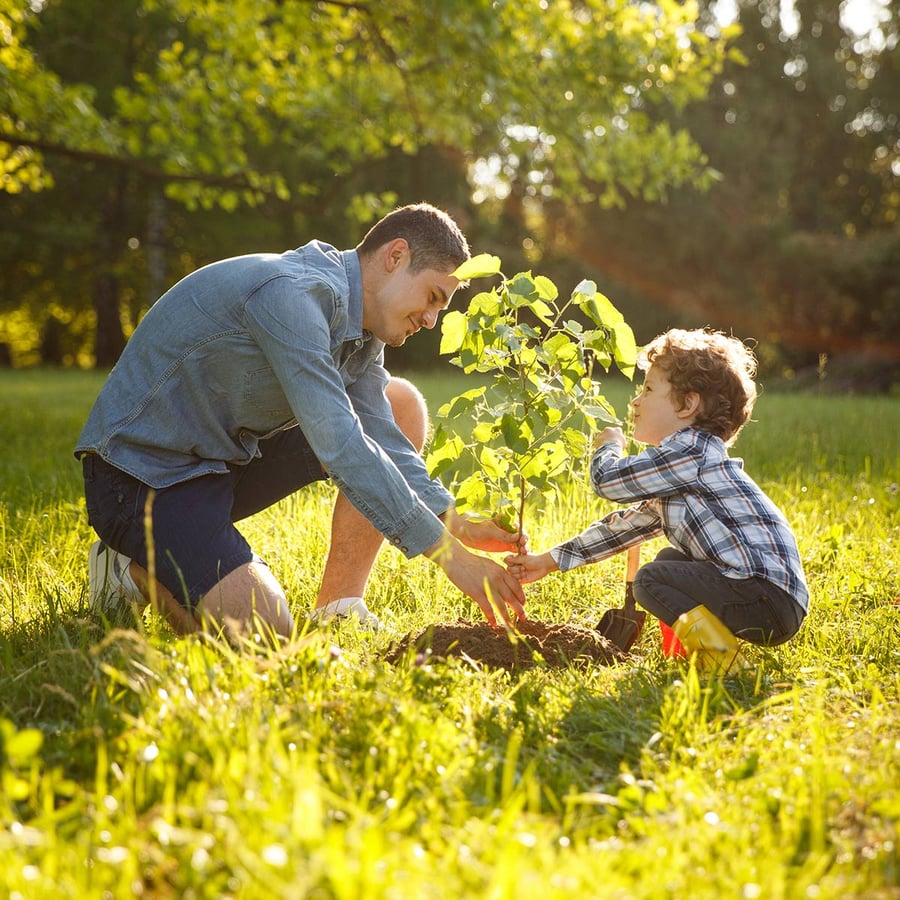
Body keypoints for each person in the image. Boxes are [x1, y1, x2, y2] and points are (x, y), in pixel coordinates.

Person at [76, 203, 527, 640]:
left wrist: (453, 520)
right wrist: (451, 558)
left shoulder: (362, 332)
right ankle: (128, 570)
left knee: (399, 403)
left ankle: (338, 608)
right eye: (433, 297)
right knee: (266, 635)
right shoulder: (292, 295)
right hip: (140, 478)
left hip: (220, 464)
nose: (431, 320)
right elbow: (341, 444)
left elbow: (381, 435)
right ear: (396, 256)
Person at [505, 328, 808, 670]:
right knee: (668, 560)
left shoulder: (690, 451)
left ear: (688, 404)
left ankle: (724, 665)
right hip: (772, 598)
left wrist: (609, 447)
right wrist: (548, 561)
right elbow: (624, 529)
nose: (635, 401)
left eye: (648, 389)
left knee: (650, 580)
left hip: (763, 595)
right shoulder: (684, 470)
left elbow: (608, 481)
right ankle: (692, 655)